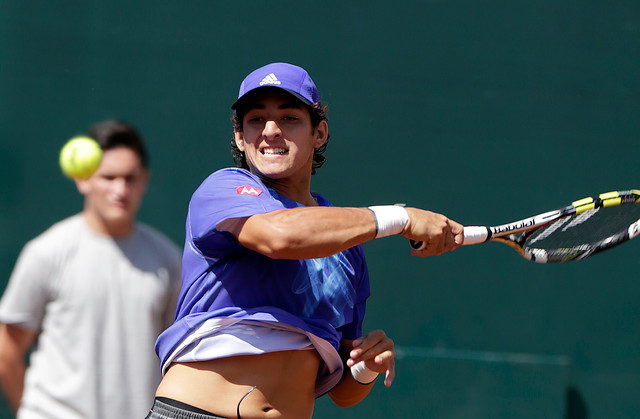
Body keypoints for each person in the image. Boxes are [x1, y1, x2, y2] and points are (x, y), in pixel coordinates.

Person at [147, 63, 464, 419]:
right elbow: (281, 236)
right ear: (239, 137)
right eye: (255, 120)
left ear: (319, 133)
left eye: (289, 119)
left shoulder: (345, 243)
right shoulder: (221, 190)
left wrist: (367, 367)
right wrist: (401, 217)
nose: (270, 131)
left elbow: (343, 391)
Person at [0, 120, 182, 419]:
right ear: (83, 179)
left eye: (130, 178)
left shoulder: (168, 259)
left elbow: (177, 358)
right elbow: (7, 350)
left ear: (144, 180)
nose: (120, 189)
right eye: (108, 177)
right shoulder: (46, 252)